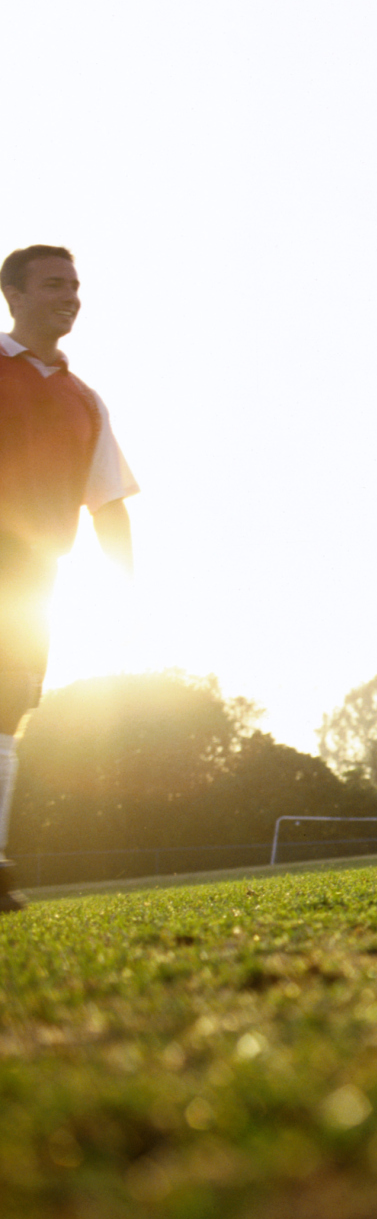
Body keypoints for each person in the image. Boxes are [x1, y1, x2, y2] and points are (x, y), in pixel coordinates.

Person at [1, 246, 139, 911]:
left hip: (35, 578)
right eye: (55, 283)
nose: (71, 295)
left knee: (6, 716)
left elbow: (108, 500)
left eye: (76, 285)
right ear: (13, 295)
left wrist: (125, 591)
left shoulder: (86, 400)